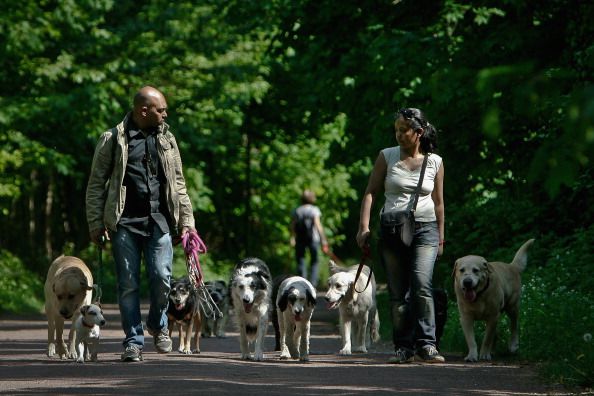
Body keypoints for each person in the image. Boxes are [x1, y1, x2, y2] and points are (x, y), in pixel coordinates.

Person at [86, 86, 195, 362]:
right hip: (124, 224)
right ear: (143, 111)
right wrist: (95, 222)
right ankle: (133, 341)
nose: (165, 114)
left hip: (159, 222)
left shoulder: (168, 139)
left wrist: (187, 223)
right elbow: (96, 184)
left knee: (161, 278)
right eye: (161, 109)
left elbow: (179, 184)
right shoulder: (112, 139)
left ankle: (158, 325)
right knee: (128, 285)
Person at [356, 107, 445, 363]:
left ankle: (427, 345)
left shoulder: (435, 162)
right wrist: (364, 228)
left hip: (426, 228)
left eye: (403, 130)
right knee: (397, 291)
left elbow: (439, 203)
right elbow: (371, 192)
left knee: (421, 284)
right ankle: (403, 348)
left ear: (418, 132)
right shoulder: (386, 156)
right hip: (392, 229)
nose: (398, 134)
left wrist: (441, 237)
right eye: (396, 130)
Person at [290, 190, 328, 288]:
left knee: (300, 261)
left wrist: (292, 238)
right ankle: (313, 285)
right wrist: (323, 239)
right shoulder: (314, 210)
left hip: (300, 239)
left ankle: (302, 283)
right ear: (312, 198)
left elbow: (293, 226)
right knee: (314, 261)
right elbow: (318, 225)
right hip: (313, 239)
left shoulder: (297, 210)